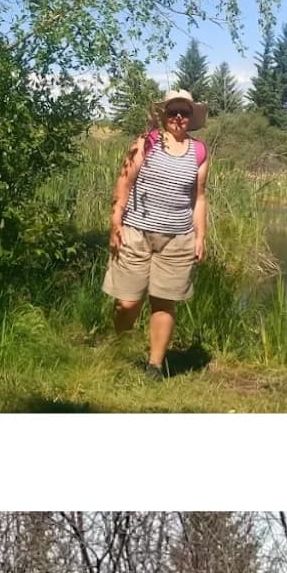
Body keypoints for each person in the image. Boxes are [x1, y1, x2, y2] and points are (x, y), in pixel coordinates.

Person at [104, 91, 210, 375]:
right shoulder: (146, 142)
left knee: (164, 302)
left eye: (184, 113)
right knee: (127, 303)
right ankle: (117, 346)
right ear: (163, 115)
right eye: (172, 112)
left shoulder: (199, 152)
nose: (178, 117)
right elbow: (124, 182)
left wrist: (200, 236)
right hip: (136, 232)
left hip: (177, 238)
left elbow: (199, 197)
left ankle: (154, 366)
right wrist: (116, 221)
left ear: (190, 118)